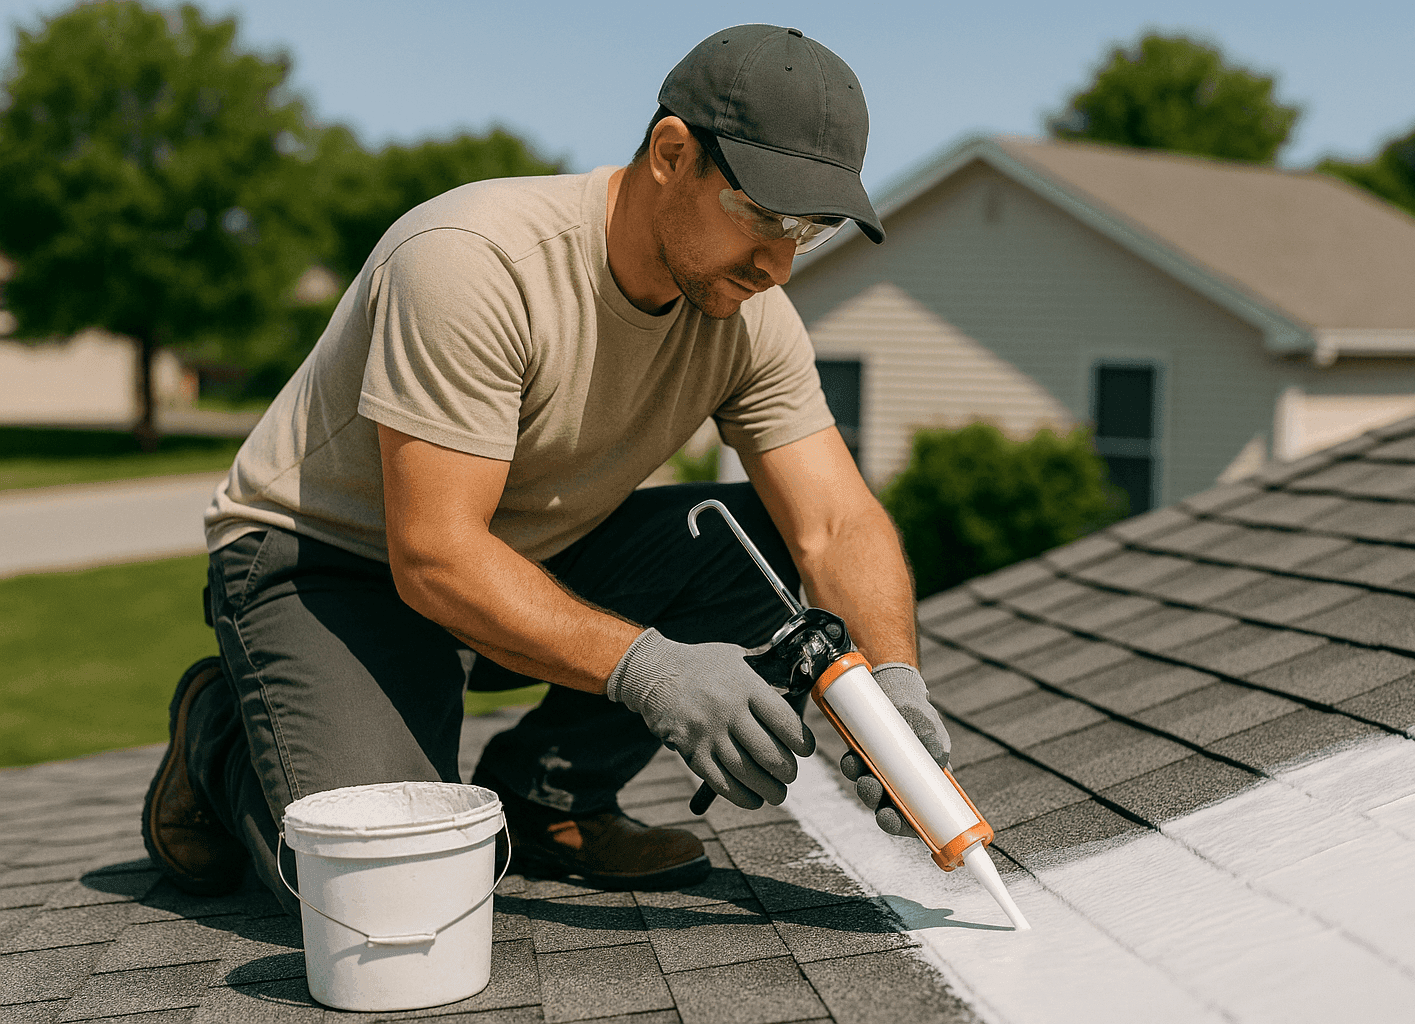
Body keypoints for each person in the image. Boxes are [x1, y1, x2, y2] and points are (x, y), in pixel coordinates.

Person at [141, 23, 951, 907]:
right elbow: (436, 556)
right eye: (762, 217)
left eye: (809, 230)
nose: (780, 264)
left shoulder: (749, 318)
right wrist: (654, 670)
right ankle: (224, 731)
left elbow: (834, 523)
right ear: (672, 154)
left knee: (767, 547)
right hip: (333, 570)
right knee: (387, 892)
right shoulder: (473, 261)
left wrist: (891, 684)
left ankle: (547, 797)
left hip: (522, 557)